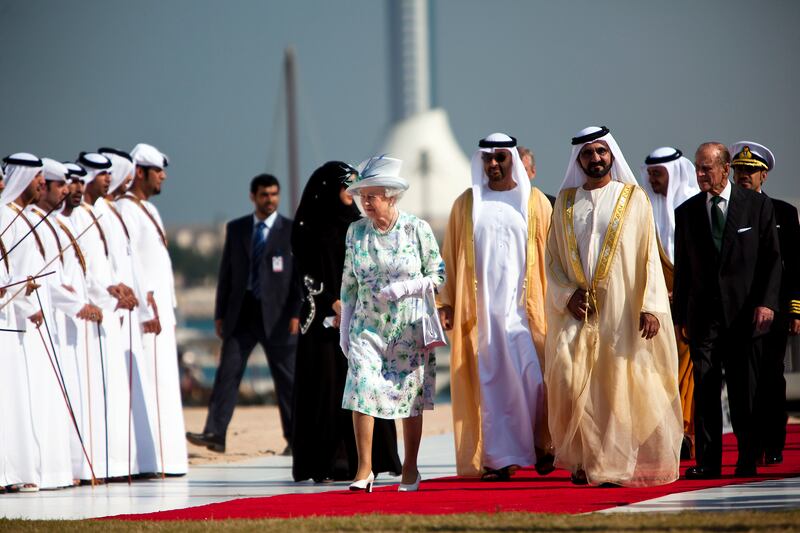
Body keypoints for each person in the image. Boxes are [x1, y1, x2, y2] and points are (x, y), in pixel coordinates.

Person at [545, 126, 682, 487]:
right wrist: (567, 295)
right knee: (567, 378)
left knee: (616, 386)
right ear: (578, 158)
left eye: (601, 152)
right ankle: (583, 457)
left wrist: (651, 305)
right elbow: (552, 261)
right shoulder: (565, 202)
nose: (595, 159)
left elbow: (649, 256)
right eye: (588, 153)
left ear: (612, 155)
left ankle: (610, 464)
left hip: (622, 310)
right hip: (578, 310)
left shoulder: (633, 198)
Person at [438, 133, 553, 479]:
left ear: (513, 160)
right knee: (491, 388)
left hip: (526, 314)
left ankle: (543, 445)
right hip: (482, 316)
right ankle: (499, 460)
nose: (493, 164)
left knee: (535, 380)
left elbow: (553, 257)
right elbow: (449, 260)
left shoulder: (535, 204)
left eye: (500, 158)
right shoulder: (466, 204)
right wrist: (446, 303)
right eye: (487, 158)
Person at [673, 142, 781, 479]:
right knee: (705, 387)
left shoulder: (757, 206)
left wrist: (767, 302)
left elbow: (771, 260)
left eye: (707, 168)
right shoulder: (688, 212)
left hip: (743, 314)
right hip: (704, 316)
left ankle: (746, 457)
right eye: (698, 168)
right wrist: (680, 318)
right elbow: (684, 271)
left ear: (725, 167)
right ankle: (707, 462)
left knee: (742, 388)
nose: (701, 174)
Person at [290, 161, 401, 483]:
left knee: (362, 387)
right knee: (326, 389)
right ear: (329, 188)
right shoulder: (306, 226)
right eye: (346, 186)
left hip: (360, 319)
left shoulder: (357, 225)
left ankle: (365, 459)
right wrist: (332, 302)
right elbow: (307, 273)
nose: (351, 193)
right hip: (324, 323)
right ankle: (327, 459)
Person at [339, 156, 444, 492]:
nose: (365, 202)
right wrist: (344, 328)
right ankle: (364, 470)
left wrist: (408, 287)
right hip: (366, 328)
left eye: (372, 196)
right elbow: (348, 283)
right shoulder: (355, 232)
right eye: (362, 196)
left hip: (408, 328)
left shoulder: (417, 229)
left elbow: (438, 275)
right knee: (360, 390)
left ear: (390, 196)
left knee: (408, 399)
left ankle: (410, 468)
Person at [187, 174, 301, 456]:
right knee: (227, 373)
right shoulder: (237, 229)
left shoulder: (290, 230)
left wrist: (297, 313)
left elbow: (299, 277)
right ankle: (215, 433)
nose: (270, 199)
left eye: (275, 194)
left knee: (287, 380)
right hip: (242, 314)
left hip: (278, 316)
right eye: (264, 194)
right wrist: (219, 314)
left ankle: (297, 438)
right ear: (253, 196)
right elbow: (226, 274)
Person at [118, 142, 188, 475]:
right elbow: (130, 263)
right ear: (140, 173)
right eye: (157, 171)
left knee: (165, 387)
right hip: (148, 314)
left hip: (162, 312)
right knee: (152, 385)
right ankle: (153, 459)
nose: (162, 177)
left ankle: (168, 458)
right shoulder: (126, 209)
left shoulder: (148, 208)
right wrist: (147, 304)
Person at [728, 141, 798, 466]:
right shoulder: (727, 211)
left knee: (772, 378)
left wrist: (795, 308)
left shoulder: (784, 212)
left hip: (777, 309)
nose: (744, 176)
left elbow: (793, 264)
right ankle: (750, 445)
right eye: (739, 170)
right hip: (741, 311)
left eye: (751, 171)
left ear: (763, 176)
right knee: (744, 381)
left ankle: (774, 442)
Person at [641, 147, 700, 459]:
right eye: (649, 174)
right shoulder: (645, 208)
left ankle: (686, 431)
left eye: (658, 174)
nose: (652, 180)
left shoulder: (693, 206)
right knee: (657, 370)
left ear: (674, 173)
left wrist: (685, 290)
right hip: (654, 305)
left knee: (686, 369)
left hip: (689, 305)